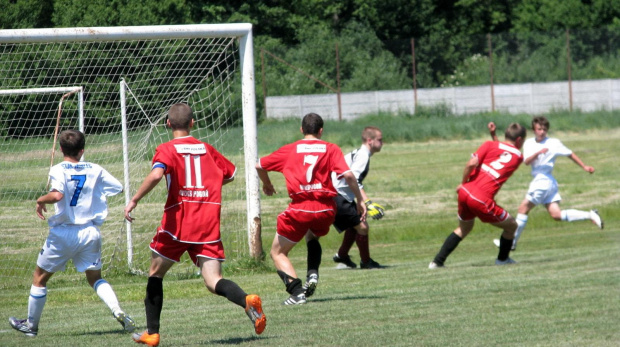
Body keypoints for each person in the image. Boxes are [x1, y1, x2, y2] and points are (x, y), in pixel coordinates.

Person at [124, 103, 266, 347]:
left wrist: (134, 199)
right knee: (213, 281)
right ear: (193, 123)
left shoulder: (166, 149)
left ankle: (152, 333)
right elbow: (229, 175)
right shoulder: (208, 149)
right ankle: (246, 299)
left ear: (168, 124)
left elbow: (157, 174)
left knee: (155, 274)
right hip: (207, 223)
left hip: (178, 223)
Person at [9, 130, 135, 337]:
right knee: (95, 278)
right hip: (90, 232)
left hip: (64, 233)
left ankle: (31, 326)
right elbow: (118, 188)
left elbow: (57, 195)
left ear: (60, 149)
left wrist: (41, 199)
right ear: (82, 150)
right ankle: (118, 310)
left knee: (39, 278)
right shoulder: (95, 168)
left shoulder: (58, 169)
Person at [256, 112, 367, 305]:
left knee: (277, 252)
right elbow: (349, 176)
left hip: (301, 208)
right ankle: (312, 274)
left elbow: (259, 165)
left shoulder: (291, 149)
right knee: (312, 235)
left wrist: (267, 184)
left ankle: (296, 292)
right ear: (321, 131)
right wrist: (359, 200)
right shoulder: (331, 148)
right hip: (325, 209)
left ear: (301, 130)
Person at [489, 116, 603, 251]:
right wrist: (537, 153)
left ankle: (512, 242)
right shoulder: (529, 143)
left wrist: (584, 166)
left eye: (544, 129)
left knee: (523, 209)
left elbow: (570, 154)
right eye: (539, 129)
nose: (542, 132)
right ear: (534, 130)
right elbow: (526, 161)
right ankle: (590, 215)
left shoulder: (554, 143)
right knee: (556, 215)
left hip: (544, 181)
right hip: (545, 182)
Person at [429, 122, 526, 268]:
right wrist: (495, 137)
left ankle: (436, 262)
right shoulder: (518, 156)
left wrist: (463, 183)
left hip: (465, 191)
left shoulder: (488, 144)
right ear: (519, 140)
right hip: (481, 198)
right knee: (512, 226)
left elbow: (471, 163)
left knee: (463, 228)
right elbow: (505, 153)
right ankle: (502, 260)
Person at [331, 126, 385, 269]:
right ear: (369, 140)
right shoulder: (363, 155)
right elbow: (353, 178)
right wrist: (367, 202)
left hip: (339, 194)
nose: (382, 143)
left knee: (356, 223)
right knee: (362, 227)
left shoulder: (360, 153)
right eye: (379, 140)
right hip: (337, 195)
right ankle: (366, 262)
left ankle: (342, 256)